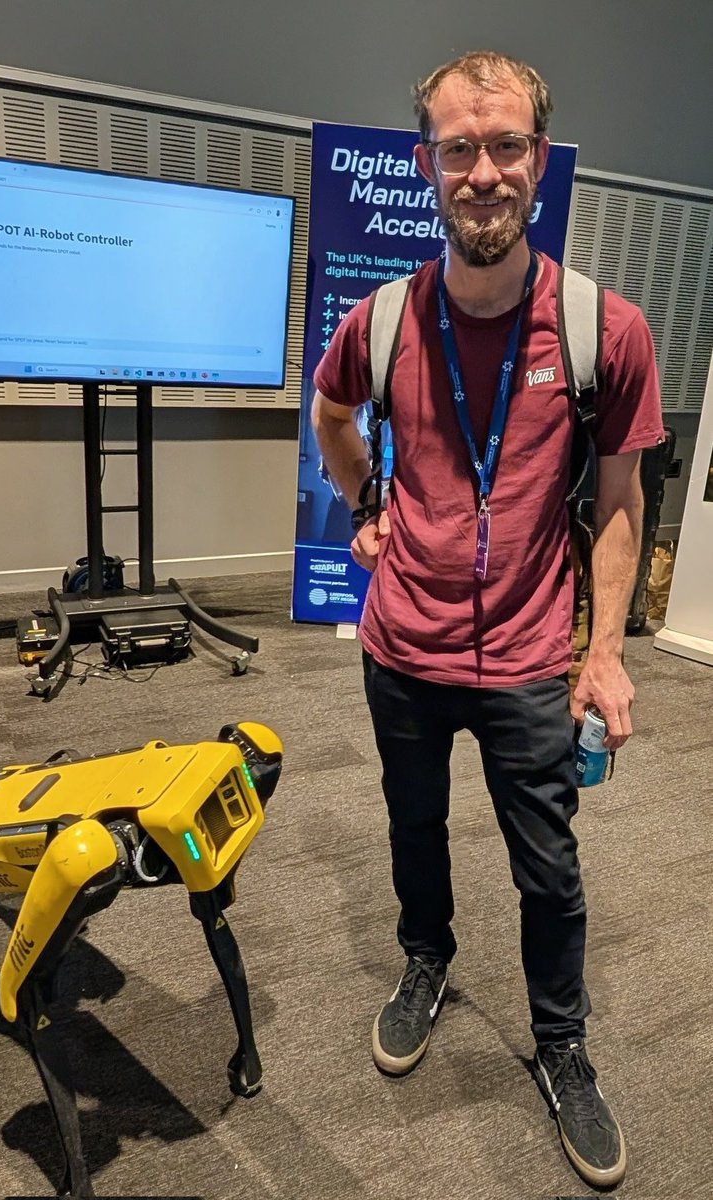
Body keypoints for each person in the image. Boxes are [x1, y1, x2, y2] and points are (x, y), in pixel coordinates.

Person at [311, 50, 664, 1190]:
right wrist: (365, 499)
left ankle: (561, 1043)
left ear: (537, 162)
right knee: (414, 832)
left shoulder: (605, 330)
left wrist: (602, 651)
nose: (481, 173)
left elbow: (620, 501)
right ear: (426, 164)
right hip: (401, 647)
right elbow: (330, 416)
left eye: (503, 146)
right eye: (458, 149)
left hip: (525, 656)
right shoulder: (378, 322)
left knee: (549, 872)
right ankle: (426, 962)